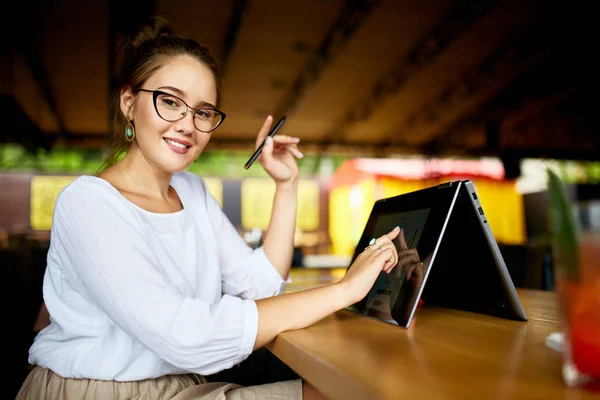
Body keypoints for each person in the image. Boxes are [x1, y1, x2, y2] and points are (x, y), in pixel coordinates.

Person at [16, 17, 400, 400]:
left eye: (202, 112)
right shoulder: (88, 203)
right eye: (170, 101)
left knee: (350, 389)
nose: (187, 124)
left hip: (181, 387)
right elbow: (186, 337)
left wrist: (286, 185)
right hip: (95, 391)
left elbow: (260, 284)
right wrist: (345, 289)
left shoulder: (192, 192)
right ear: (128, 102)